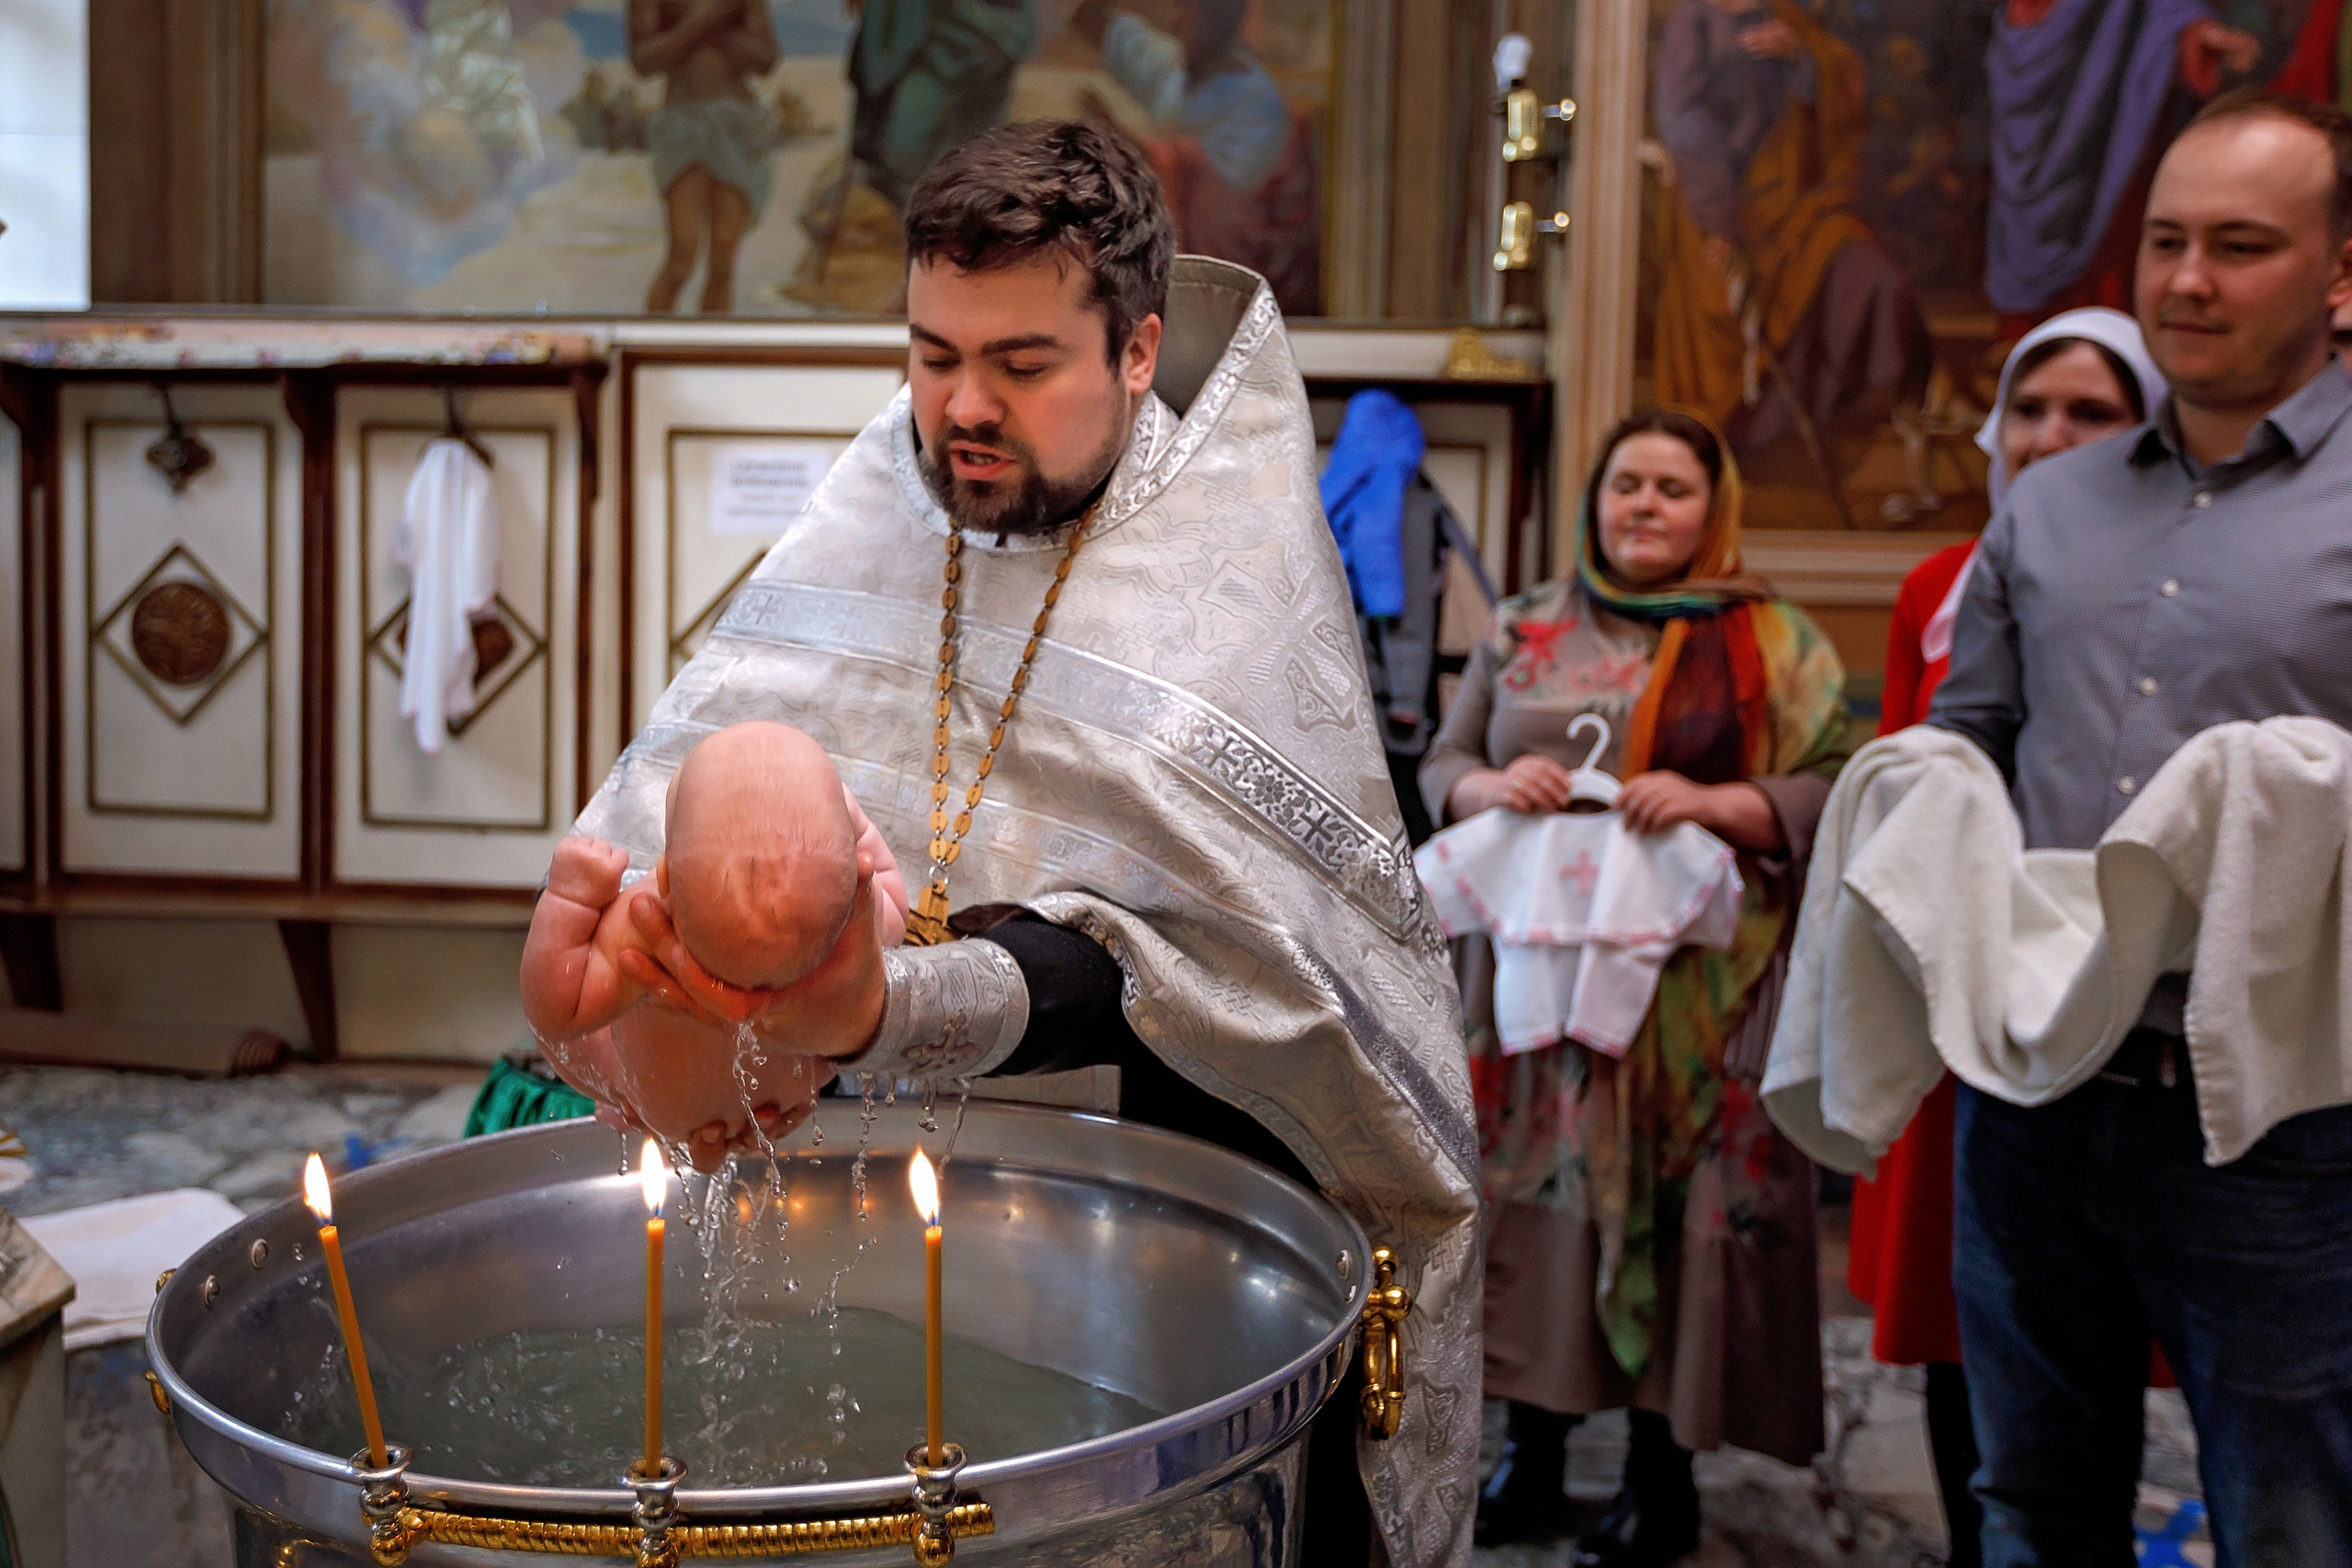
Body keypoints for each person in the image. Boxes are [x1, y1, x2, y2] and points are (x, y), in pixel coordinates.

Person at [552, 120, 1483, 1566]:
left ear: (1137, 349)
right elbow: (681, 843)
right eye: (932, 356)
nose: (962, 407)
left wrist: (894, 1002)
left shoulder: (1224, 580)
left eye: (1023, 364)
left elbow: (1230, 975)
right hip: (861, 1238)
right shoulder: (877, 506)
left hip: (1143, 1248)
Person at [1929, 90, 2352, 1564]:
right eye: (2167, 241)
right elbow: (1966, 749)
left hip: (2287, 1114)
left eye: (2241, 245)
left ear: (2340, 271)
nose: (2188, 279)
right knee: (2033, 1505)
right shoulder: (2050, 507)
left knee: (2295, 1517)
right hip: (2035, 1085)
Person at [1421, 411, 1850, 1561]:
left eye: (1672, 488)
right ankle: (1533, 1454)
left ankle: (1665, 1476)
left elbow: (1833, 787)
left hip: (1696, 998)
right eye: (1626, 485)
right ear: (1594, 499)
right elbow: (1445, 761)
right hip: (1532, 988)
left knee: (1680, 1214)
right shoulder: (1525, 623)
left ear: (1713, 508)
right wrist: (1490, 788)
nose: (1645, 507)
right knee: (1536, 1212)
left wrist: (1712, 802)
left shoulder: (1775, 641)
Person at [1853, 307, 2165, 1568]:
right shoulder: (1936, 587)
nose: (2049, 438)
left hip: (2133, 987)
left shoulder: (2182, 586)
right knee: (1965, 1312)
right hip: (1970, 999)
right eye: (2028, 411)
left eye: (2091, 414)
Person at [520, 723, 904, 1163]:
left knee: (594, 1052)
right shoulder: (848, 927)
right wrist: (862, 834)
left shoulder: (645, 923)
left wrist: (569, 897)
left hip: (667, 1105)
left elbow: (558, 1013)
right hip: (781, 1101)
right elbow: (895, 905)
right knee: (833, 1044)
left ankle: (615, 1091)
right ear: (854, 877)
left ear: (665, 876)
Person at [1649, 0, 1930, 465]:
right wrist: (1719, 220)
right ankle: (1728, 447)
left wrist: (1804, 60)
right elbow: (1684, 123)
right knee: (1728, 312)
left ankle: (1844, 424)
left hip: (1797, 203)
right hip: (1715, 210)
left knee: (1869, 274)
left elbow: (1835, 92)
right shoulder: (1693, 21)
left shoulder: (1784, 13)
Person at [1984, 0, 2261, 333]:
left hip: (2107, 136)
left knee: (2111, 258)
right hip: (2041, 120)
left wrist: (2196, 33)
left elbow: (2163, 12)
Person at [1068, 0, 1321, 316]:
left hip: (1225, 298)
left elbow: (1222, 208)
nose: (1175, 21)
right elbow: (1098, 25)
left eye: (1186, 12)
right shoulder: (1179, 70)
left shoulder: (1257, 102)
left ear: (1215, 22)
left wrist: (1123, 139)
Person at [629, 0, 782, 313]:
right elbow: (644, 61)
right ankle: (654, 341)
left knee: (723, 262)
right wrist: (702, 21)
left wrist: (707, 26)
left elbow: (766, 59)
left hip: (737, 127)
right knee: (681, 258)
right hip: (684, 126)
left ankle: (714, 344)